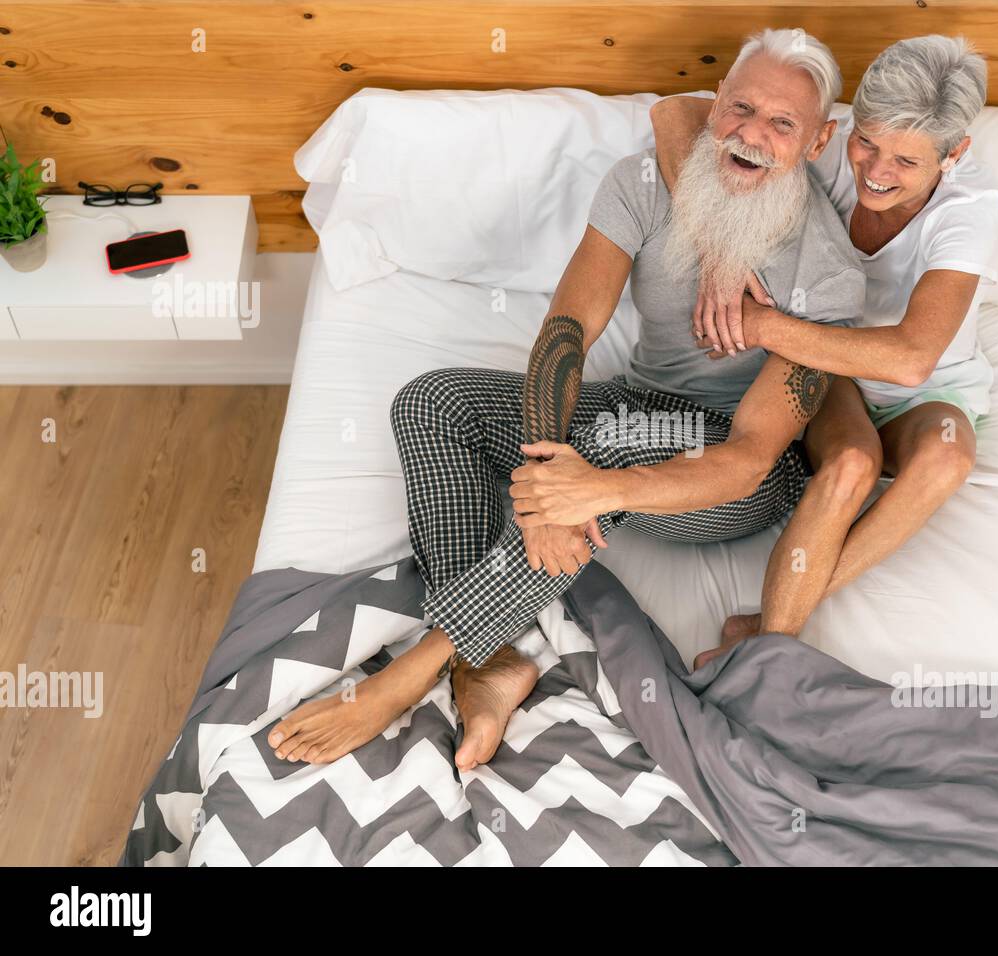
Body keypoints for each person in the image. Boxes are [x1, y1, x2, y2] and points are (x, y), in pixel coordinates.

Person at [265, 28, 867, 770]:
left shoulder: (830, 275)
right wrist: (548, 472)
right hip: (638, 405)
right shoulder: (645, 185)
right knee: (431, 402)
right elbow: (568, 330)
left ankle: (416, 670)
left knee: (609, 446)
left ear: (817, 142)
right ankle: (493, 665)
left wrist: (586, 490)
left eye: (782, 125)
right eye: (741, 108)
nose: (751, 134)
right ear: (715, 105)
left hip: (737, 473)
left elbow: (748, 460)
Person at [650, 35, 998, 668]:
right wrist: (718, 255)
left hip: (924, 386)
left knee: (948, 457)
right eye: (867, 141)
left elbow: (911, 358)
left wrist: (758, 326)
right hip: (827, 366)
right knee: (849, 466)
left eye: (907, 161)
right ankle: (769, 649)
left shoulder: (973, 207)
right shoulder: (819, 142)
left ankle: (767, 629)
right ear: (844, 126)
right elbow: (673, 113)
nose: (876, 171)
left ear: (954, 156)